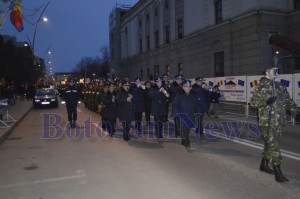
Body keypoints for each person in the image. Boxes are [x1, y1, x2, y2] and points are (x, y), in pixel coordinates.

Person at [250, 66, 298, 183]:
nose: (276, 73)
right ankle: (278, 173)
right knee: (274, 146)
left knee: (270, 144)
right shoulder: (262, 86)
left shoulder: (279, 86)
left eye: (277, 71)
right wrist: (265, 102)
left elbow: (288, 101)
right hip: (267, 121)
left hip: (279, 120)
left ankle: (264, 164)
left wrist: (296, 111)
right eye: (273, 71)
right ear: (267, 72)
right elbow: (253, 103)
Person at [173, 79, 200, 150]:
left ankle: (183, 141)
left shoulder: (193, 95)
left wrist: (197, 112)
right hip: (181, 115)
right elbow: (175, 104)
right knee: (184, 129)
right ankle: (187, 144)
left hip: (191, 115)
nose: (187, 88)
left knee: (188, 129)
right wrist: (175, 114)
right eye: (185, 86)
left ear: (191, 87)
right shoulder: (179, 94)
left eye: (189, 86)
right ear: (182, 87)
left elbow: (196, 104)